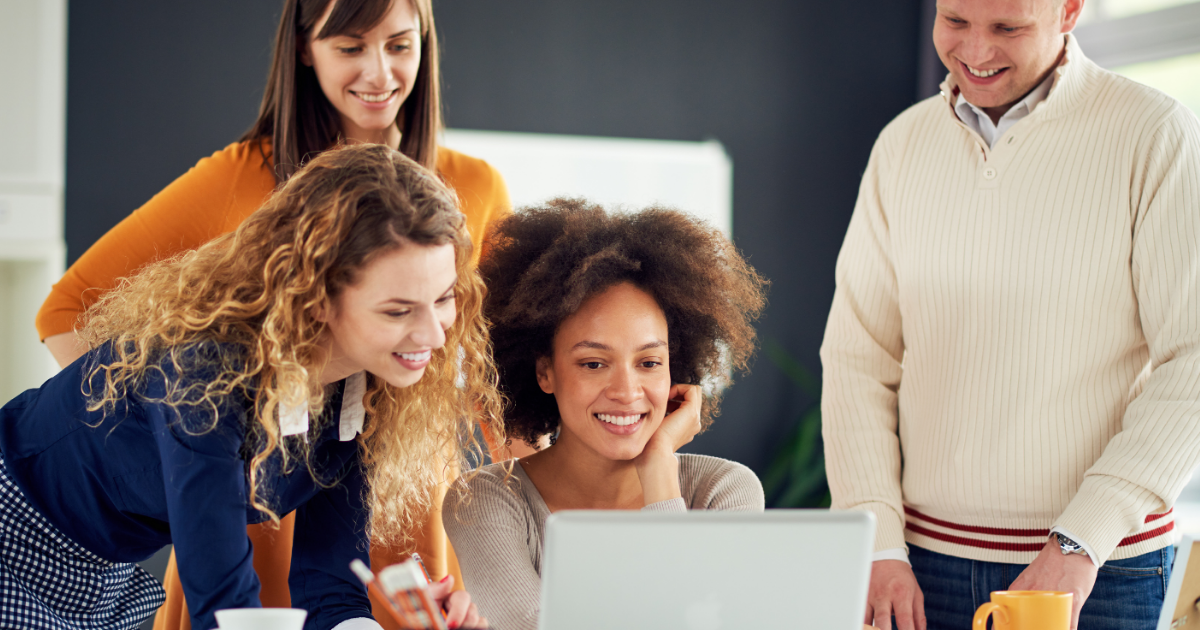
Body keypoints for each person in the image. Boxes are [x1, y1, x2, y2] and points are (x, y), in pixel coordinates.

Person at [34, 0, 530, 626]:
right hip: (227, 517)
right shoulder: (238, 191)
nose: (379, 73)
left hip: (393, 503)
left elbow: (496, 381)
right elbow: (69, 311)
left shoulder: (360, 396)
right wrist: (176, 438)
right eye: (350, 46)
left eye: (400, 45)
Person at [0, 144, 495, 630]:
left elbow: (330, 588)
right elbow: (225, 609)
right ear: (315, 296)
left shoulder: (359, 394)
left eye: (444, 299)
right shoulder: (204, 374)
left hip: (95, 575)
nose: (435, 336)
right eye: (398, 310)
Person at [820, 0, 1200, 629]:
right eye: (955, 21)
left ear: (1069, 10)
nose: (975, 52)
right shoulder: (902, 145)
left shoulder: (1155, 134)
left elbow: (1192, 362)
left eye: (1007, 28)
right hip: (920, 568)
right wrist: (877, 541)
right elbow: (858, 358)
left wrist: (1079, 542)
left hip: (1101, 571)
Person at [441, 200, 769, 630]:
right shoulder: (484, 501)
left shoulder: (724, 492)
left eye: (649, 362)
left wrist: (658, 470)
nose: (627, 392)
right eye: (594, 363)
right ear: (545, 372)